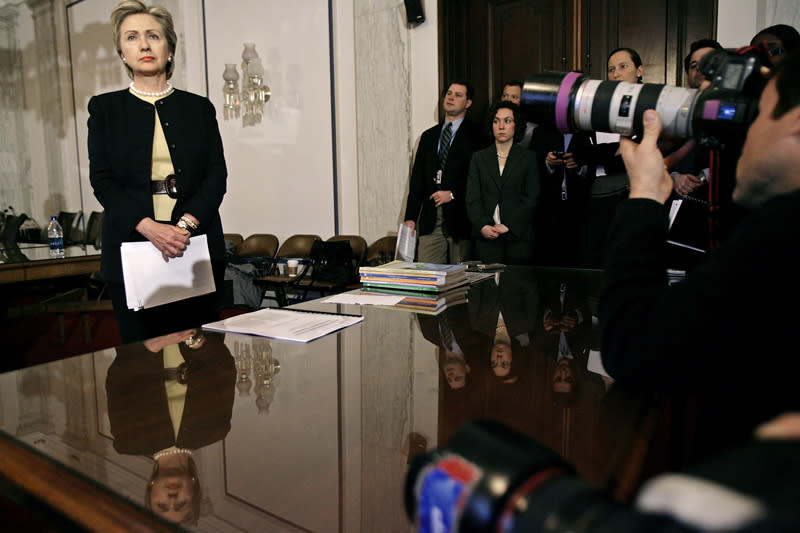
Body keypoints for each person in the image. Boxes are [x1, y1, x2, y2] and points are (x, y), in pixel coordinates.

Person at [600, 51, 800, 460]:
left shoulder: (783, 235)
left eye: (756, 116)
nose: (739, 136)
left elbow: (634, 348)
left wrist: (644, 200)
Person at [88, 1, 228, 344]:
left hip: (195, 246)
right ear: (122, 52)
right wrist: (151, 228)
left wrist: (182, 228)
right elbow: (102, 180)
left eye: (153, 36)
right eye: (132, 37)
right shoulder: (105, 109)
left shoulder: (199, 108)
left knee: (202, 360)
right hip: (133, 246)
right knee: (141, 366)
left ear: (169, 48)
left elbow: (217, 175)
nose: (144, 45)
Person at [404, 81, 485, 264]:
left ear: (468, 103)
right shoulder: (428, 137)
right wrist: (410, 218)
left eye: (458, 95)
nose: (451, 98)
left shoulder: (478, 135)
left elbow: (480, 179)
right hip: (431, 219)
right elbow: (417, 181)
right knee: (428, 279)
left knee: (461, 280)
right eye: (449, 93)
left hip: (462, 219)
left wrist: (453, 194)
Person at [465, 101, 540, 264]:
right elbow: (472, 198)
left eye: (507, 121)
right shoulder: (478, 158)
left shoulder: (528, 158)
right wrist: (483, 226)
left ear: (516, 125)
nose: (501, 126)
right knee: (486, 288)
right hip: (485, 237)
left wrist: (509, 225)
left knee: (515, 286)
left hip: (518, 237)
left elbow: (532, 198)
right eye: (496, 121)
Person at [500, 80, 536, 148]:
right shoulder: (494, 124)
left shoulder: (531, 130)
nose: (508, 100)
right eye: (505, 96)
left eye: (514, 97)